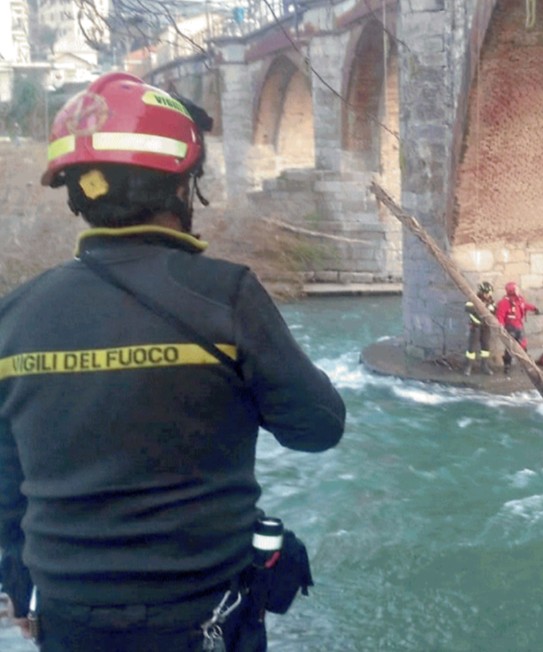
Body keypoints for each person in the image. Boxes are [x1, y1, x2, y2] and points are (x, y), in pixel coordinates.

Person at [0, 72, 347, 651]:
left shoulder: (12, 318)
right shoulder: (226, 296)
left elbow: (6, 486)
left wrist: (20, 584)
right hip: (204, 617)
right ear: (182, 188)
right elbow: (317, 428)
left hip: (68, 622)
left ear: (78, 195)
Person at [495, 281, 539, 376]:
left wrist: (534, 308)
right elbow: (500, 315)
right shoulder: (504, 302)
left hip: (519, 326)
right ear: (512, 291)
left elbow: (524, 306)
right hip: (510, 327)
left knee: (523, 346)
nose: (518, 290)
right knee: (510, 347)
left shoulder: (519, 300)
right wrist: (501, 326)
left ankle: (526, 365)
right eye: (516, 289)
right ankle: (507, 366)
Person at [464, 281, 495, 376]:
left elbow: (494, 311)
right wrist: (480, 307)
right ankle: (468, 367)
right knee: (471, 348)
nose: (488, 295)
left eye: (489, 293)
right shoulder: (474, 299)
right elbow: (468, 308)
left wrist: (491, 308)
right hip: (475, 326)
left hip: (486, 327)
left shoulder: (491, 300)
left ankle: (484, 366)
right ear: (482, 292)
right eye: (487, 293)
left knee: (485, 347)